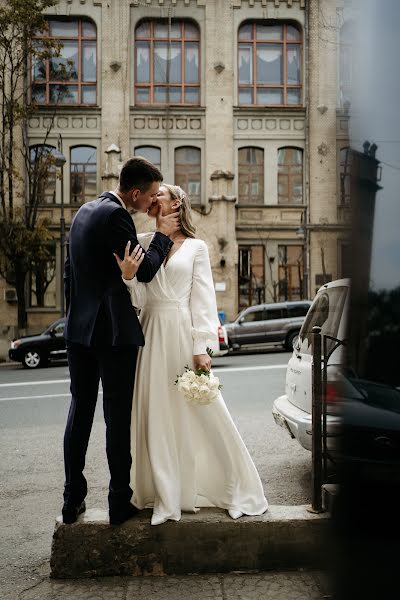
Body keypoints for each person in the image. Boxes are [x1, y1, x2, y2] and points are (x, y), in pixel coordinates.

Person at [115, 184, 268, 526]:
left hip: (182, 335)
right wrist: (128, 278)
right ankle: (166, 497)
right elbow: (139, 299)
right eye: (150, 195)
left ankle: (235, 487)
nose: (153, 199)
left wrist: (201, 347)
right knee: (156, 413)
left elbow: (203, 299)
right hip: (151, 334)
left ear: (176, 203)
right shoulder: (140, 242)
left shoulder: (197, 247)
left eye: (160, 194)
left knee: (207, 413)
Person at [62, 158, 180, 526]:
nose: (150, 205)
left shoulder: (84, 212)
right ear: (134, 193)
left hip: (79, 331)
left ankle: (71, 500)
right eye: (149, 198)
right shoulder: (117, 216)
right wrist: (162, 233)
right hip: (112, 333)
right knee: (116, 418)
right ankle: (118, 502)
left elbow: (71, 275)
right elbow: (143, 270)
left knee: (79, 411)